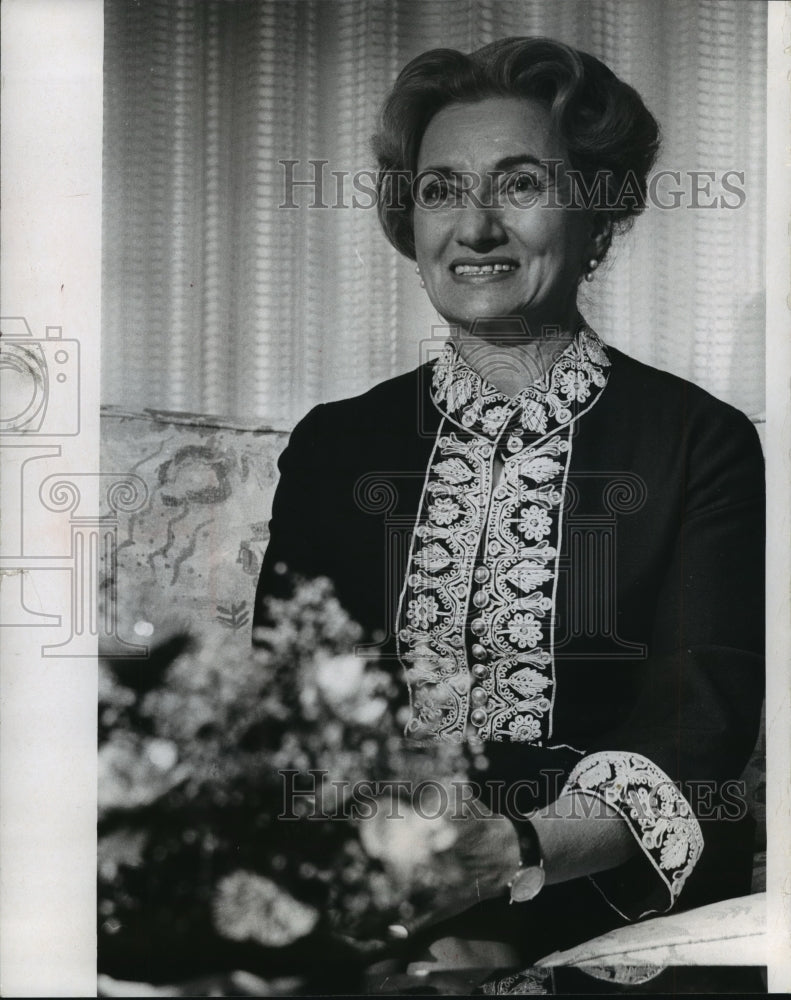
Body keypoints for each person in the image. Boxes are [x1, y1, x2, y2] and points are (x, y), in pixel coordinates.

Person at [254, 37, 764, 966]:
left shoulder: (699, 443)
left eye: (520, 184)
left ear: (599, 218)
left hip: (604, 905)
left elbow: (697, 725)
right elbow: (289, 720)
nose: (475, 226)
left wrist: (513, 858)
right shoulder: (335, 446)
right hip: (370, 899)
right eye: (442, 189)